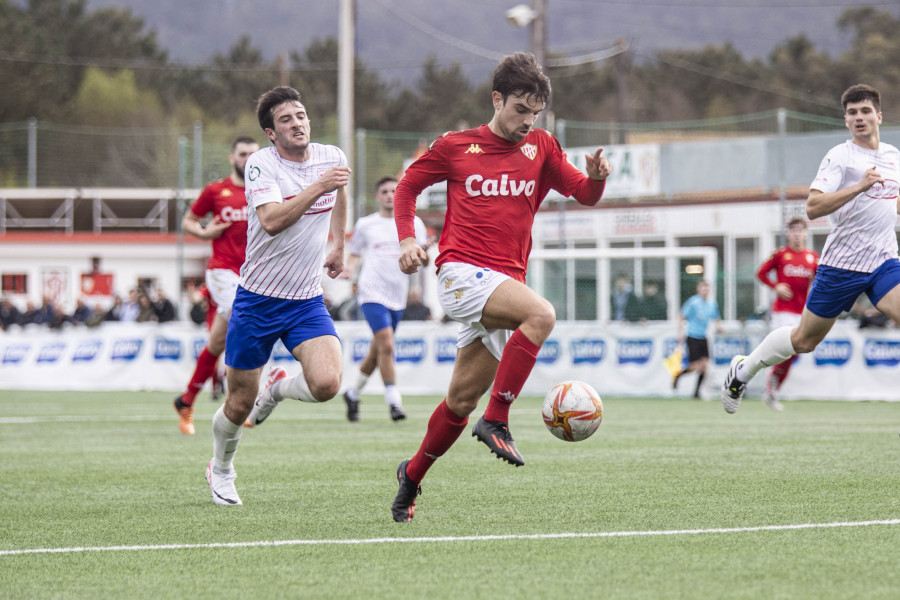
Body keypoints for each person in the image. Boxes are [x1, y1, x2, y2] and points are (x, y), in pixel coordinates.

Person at [390, 52, 611, 522]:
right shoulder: (456, 146)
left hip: (501, 284)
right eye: (520, 110)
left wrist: (595, 180)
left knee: (459, 402)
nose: (527, 121)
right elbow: (407, 186)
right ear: (497, 99)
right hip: (459, 274)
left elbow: (585, 195)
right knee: (542, 315)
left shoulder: (543, 148)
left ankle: (411, 476)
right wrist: (408, 238)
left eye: (535, 113)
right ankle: (498, 419)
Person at [206, 86, 350, 505]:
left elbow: (340, 193)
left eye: (301, 115)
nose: (297, 123)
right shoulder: (260, 165)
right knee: (237, 404)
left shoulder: (333, 156)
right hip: (256, 300)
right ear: (271, 132)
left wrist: (338, 243)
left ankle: (279, 389)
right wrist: (320, 185)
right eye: (286, 120)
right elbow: (271, 221)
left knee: (327, 385)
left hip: (305, 300)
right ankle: (221, 469)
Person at [722, 84, 900, 414]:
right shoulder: (841, 157)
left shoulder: (893, 156)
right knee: (804, 340)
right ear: (845, 120)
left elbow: (893, 203)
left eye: (865, 111)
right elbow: (814, 207)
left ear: (878, 116)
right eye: (852, 113)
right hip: (842, 266)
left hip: (884, 262)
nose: (859, 117)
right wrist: (860, 185)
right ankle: (743, 370)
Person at [173, 137, 259, 435]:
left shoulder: (266, 190)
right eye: (243, 153)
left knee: (216, 343)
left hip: (254, 275)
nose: (248, 158)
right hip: (223, 272)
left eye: (254, 154)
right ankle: (244, 400)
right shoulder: (215, 191)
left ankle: (186, 400)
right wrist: (205, 233)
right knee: (249, 320)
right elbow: (188, 222)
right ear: (231, 157)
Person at [339, 175, 430, 423]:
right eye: (385, 191)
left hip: (398, 295)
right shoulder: (367, 224)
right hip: (371, 292)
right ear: (378, 196)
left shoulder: (414, 223)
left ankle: (352, 392)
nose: (390, 195)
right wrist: (349, 269)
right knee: (387, 345)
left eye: (394, 191)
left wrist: (423, 261)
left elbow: (422, 259)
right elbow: (355, 254)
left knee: (378, 350)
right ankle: (394, 402)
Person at [754, 218, 818, 410]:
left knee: (796, 352)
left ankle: (772, 385)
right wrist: (776, 286)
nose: (797, 234)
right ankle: (771, 385)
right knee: (785, 350)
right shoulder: (781, 255)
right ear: (788, 233)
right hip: (782, 311)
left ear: (806, 234)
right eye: (794, 230)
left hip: (802, 312)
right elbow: (761, 274)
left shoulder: (812, 258)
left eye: (801, 230)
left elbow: (821, 281)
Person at [673, 280, 724, 399]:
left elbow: (716, 318)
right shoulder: (693, 302)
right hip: (692, 336)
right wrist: (680, 333)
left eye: (707, 288)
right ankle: (678, 375)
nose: (705, 290)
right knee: (695, 366)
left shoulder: (712, 304)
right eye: (702, 288)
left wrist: (720, 328)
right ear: (698, 289)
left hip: (703, 337)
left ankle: (696, 393)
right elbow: (681, 316)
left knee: (704, 367)